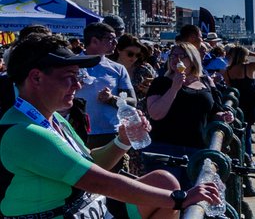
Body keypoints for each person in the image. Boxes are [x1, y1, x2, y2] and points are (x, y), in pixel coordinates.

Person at [0, 33, 220, 218]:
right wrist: (181, 199)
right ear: (36, 78)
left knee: (163, 180)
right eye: (69, 77)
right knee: (168, 195)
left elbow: (91, 163)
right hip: (67, 210)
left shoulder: (52, 118)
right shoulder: (23, 132)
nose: (78, 85)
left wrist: (122, 141)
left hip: (88, 208)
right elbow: (99, 182)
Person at [143, 42, 234, 187]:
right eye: (172, 55)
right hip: (165, 149)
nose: (175, 59)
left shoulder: (205, 81)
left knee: (192, 200)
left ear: (192, 60)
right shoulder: (161, 82)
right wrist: (175, 87)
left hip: (197, 149)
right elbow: (156, 114)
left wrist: (225, 116)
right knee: (167, 199)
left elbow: (215, 110)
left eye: (181, 56)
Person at [75, 23, 137, 172]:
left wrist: (112, 99)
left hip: (109, 133)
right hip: (77, 131)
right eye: (110, 39)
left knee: (115, 180)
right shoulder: (71, 64)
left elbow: (132, 101)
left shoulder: (117, 68)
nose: (115, 43)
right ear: (94, 41)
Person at [225, 46, 255, 168]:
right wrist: (253, 53)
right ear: (244, 55)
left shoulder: (227, 70)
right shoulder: (249, 67)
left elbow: (229, 87)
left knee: (246, 133)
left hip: (241, 104)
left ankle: (249, 161)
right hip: (254, 103)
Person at [112, 35, 155, 100]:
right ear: (119, 50)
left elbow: (158, 92)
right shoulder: (108, 68)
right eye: (130, 54)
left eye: (138, 55)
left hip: (142, 109)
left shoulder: (145, 69)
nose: (134, 58)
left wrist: (150, 90)